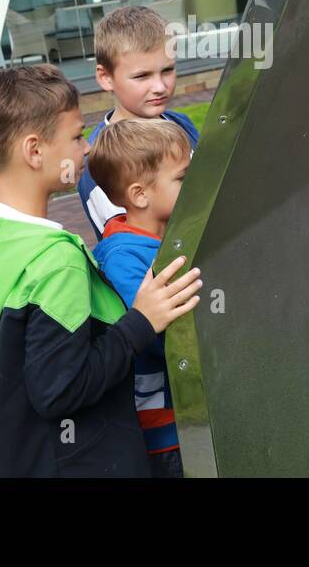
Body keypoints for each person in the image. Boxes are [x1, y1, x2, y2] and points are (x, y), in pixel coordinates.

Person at [0, 65, 202, 476]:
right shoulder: (55, 262)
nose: (86, 149)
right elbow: (61, 389)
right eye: (76, 137)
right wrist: (141, 322)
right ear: (34, 151)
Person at [77, 4, 309, 241]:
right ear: (105, 77)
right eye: (142, 76)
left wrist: (291, 165)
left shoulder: (179, 123)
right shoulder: (99, 160)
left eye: (167, 70)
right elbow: (128, 247)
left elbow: (219, 186)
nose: (159, 86)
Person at [86, 117, 193, 477]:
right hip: (164, 430)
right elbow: (166, 334)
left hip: (184, 415)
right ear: (139, 194)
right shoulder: (124, 258)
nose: (193, 184)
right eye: (182, 177)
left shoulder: (168, 234)